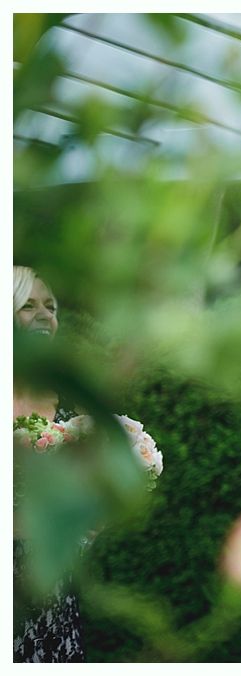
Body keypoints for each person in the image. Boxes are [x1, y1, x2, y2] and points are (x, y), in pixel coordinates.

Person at [13, 265, 86, 662]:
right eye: (28, 305)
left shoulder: (68, 404)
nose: (44, 315)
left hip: (55, 593)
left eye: (51, 306)